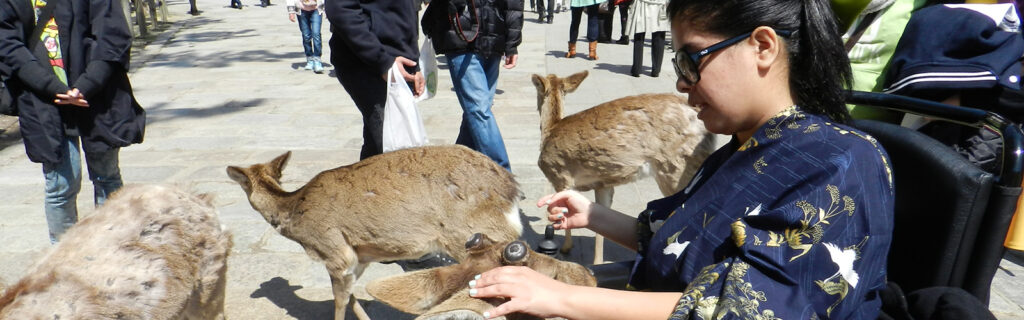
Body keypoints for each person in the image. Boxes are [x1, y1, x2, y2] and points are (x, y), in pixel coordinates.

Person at [467, 0, 895, 319]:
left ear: (762, 47)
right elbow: (679, 243)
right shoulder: (744, 148)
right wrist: (594, 215)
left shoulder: (839, 163)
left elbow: (748, 307)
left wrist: (561, 298)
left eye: (690, 60)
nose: (680, 82)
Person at [0, 0, 146, 243]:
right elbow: (8, 45)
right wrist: (51, 87)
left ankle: (116, 247)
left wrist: (86, 86)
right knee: (61, 184)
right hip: (42, 100)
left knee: (106, 176)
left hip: (96, 96)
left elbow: (112, 38)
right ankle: (63, 256)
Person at [421, 0, 522, 171]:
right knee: (479, 111)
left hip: (493, 39)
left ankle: (456, 167)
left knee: (477, 112)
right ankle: (504, 173)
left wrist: (512, 44)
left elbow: (514, 5)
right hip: (461, 38)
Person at [326, 0, 425, 160]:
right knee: (393, 151)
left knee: (380, 146)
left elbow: (406, 13)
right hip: (364, 63)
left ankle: (363, 184)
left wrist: (415, 63)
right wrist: (382, 62)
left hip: (397, 63)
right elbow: (340, 9)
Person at [626, 0, 670, 77]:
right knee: (659, 37)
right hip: (660, 5)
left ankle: (637, 69)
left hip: (642, 4)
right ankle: (656, 70)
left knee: (639, 36)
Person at [287, 0, 325, 73]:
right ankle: (310, 59)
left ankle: (317, 60)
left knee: (316, 34)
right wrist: (291, 12)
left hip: (316, 9)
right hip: (302, 10)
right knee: (306, 36)